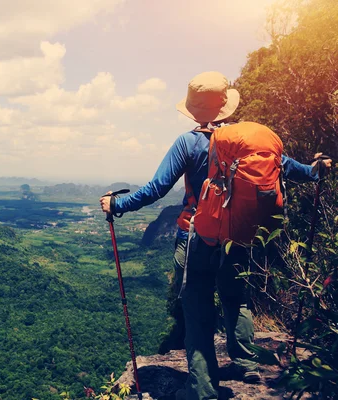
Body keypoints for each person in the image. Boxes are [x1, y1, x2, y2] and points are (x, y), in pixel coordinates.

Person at [99, 71, 332, 400]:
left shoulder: (188, 143)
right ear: (226, 106)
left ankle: (202, 389)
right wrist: (315, 171)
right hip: (237, 235)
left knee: (196, 308)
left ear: (195, 110)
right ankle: (248, 364)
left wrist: (116, 204)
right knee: (235, 297)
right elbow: (289, 167)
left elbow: (155, 190)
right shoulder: (247, 142)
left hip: (197, 236)